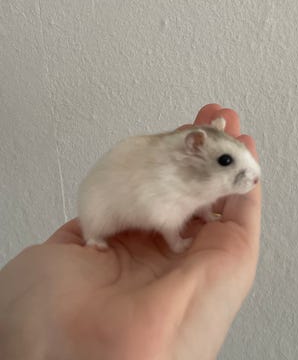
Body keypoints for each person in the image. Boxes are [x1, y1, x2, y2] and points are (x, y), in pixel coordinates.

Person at [0, 104, 262, 360]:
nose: (253, 177)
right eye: (225, 161)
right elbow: (160, 214)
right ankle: (94, 236)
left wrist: (204, 212)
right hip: (103, 205)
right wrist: (175, 241)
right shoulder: (163, 177)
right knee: (97, 216)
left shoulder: (193, 179)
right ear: (193, 147)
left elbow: (200, 196)